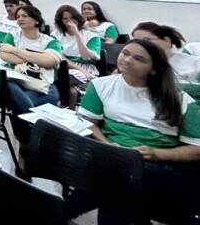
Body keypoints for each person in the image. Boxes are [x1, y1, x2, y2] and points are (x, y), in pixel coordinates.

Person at [69, 39, 200, 224]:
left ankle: (63, 210)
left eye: (139, 59)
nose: (127, 60)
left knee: (117, 176)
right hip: (115, 159)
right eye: (125, 53)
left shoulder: (179, 99)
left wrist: (156, 154)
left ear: (154, 69)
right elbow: (87, 123)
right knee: (118, 185)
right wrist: (106, 144)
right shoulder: (101, 86)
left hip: (161, 167)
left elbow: (196, 149)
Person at [0, 5, 62, 161]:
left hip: (42, 86)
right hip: (17, 82)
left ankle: (25, 144)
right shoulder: (13, 36)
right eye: (18, 16)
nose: (19, 18)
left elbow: (49, 61)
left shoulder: (50, 40)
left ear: (36, 20)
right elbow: (5, 56)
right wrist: (36, 57)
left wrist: (17, 51)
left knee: (17, 105)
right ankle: (32, 139)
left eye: (24, 15)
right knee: (9, 86)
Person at [133, 22, 200, 102]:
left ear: (167, 41)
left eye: (147, 40)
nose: (142, 45)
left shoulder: (195, 63)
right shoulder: (134, 66)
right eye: (136, 42)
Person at [52, 5, 101, 109]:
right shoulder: (55, 35)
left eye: (72, 18)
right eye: (65, 19)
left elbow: (86, 57)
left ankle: (60, 104)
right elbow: (58, 56)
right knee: (71, 91)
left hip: (86, 67)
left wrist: (77, 35)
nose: (69, 22)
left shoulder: (92, 36)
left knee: (62, 78)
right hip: (63, 66)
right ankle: (69, 110)